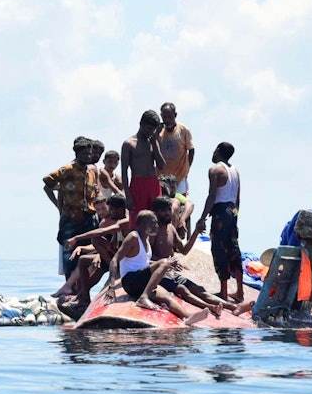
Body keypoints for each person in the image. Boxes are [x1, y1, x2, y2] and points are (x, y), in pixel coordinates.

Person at [147, 196, 249, 317]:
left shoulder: (171, 229)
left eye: (169, 209)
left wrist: (196, 231)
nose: (168, 213)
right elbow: (146, 257)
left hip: (170, 273)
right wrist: (166, 261)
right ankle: (211, 307)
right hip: (157, 274)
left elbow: (184, 250)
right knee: (182, 290)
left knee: (199, 289)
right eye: (163, 210)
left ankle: (234, 307)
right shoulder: (153, 231)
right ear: (156, 213)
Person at [112, 211, 207, 324]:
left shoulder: (146, 240)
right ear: (142, 225)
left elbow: (143, 262)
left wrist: (167, 264)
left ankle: (187, 317)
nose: (156, 226)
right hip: (130, 281)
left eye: (156, 223)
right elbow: (115, 260)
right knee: (164, 262)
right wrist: (111, 286)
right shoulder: (133, 237)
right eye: (153, 223)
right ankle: (144, 298)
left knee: (167, 296)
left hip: (141, 282)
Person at [43, 136, 102, 279]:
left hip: (89, 218)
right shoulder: (68, 169)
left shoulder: (91, 171)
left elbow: (96, 193)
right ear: (77, 153)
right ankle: (69, 287)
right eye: (84, 154)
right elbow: (47, 184)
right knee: (69, 255)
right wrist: (60, 203)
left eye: (89, 154)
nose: (88, 156)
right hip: (71, 218)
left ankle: (81, 289)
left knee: (88, 253)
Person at [196, 141, 244, 303]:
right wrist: (235, 215)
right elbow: (238, 198)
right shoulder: (235, 171)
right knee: (234, 248)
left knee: (219, 248)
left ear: (217, 151)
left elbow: (212, 196)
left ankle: (223, 292)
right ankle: (240, 292)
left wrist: (203, 218)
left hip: (221, 211)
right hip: (232, 211)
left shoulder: (215, 170)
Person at [120, 110, 166, 228]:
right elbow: (124, 172)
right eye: (149, 128)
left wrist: (155, 143)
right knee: (138, 221)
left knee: (157, 220)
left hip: (153, 184)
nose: (151, 132)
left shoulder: (153, 142)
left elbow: (161, 165)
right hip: (138, 185)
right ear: (141, 124)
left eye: (153, 130)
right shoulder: (129, 144)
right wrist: (128, 196)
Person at [156, 102, 195, 195]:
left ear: (175, 115)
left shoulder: (183, 130)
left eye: (170, 117)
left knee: (180, 203)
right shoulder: (158, 132)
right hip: (162, 177)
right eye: (165, 117)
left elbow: (191, 150)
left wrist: (187, 169)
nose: (167, 120)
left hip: (179, 176)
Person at [159, 174, 193, 242]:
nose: (173, 188)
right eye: (171, 186)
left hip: (176, 219)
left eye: (174, 186)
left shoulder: (177, 196)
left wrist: (182, 220)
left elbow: (190, 204)